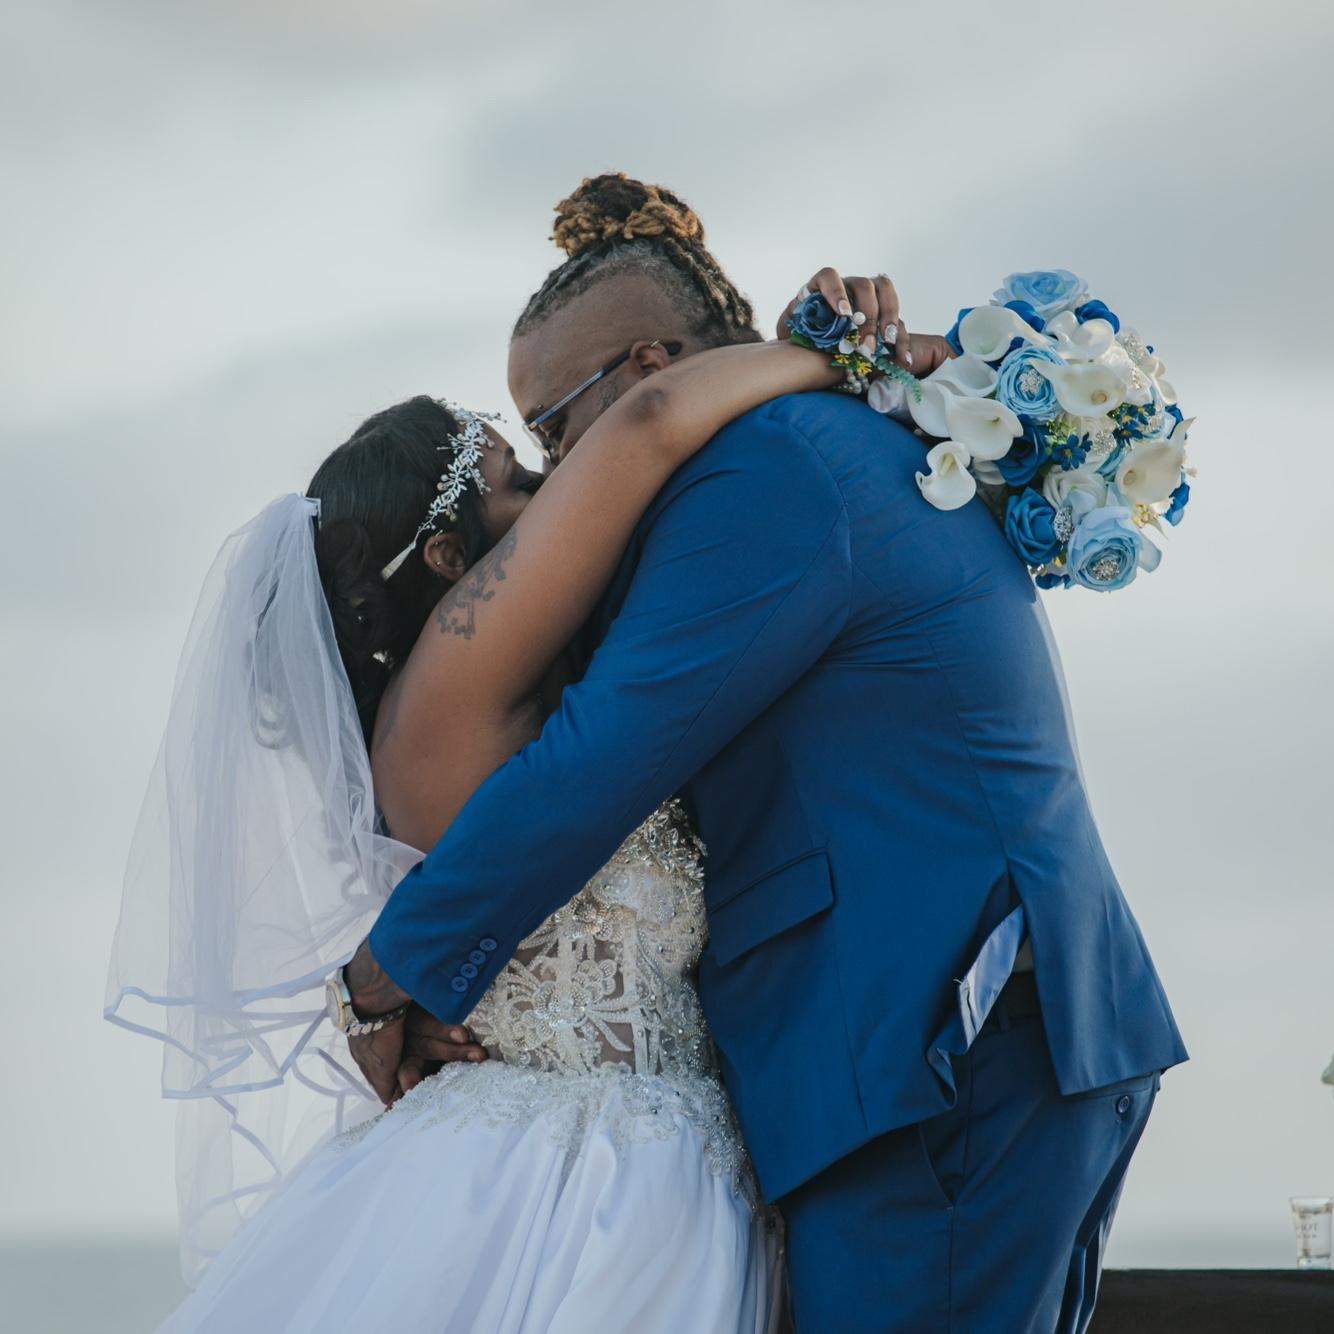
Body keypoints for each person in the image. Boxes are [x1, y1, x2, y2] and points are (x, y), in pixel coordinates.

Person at [342, 173, 1190, 1333]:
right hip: (965, 1046)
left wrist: (385, 974)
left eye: (551, 431)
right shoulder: (818, 442)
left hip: (942, 1045)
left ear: (648, 368)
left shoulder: (764, 472)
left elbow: (598, 759)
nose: (555, 479)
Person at [109, 297, 857, 1329]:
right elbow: (646, 426)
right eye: (516, 480)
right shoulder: (452, 689)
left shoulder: (463, 711)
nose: (557, 484)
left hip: (612, 1160)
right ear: (446, 561)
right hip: (587, 1187)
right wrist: (844, 355)